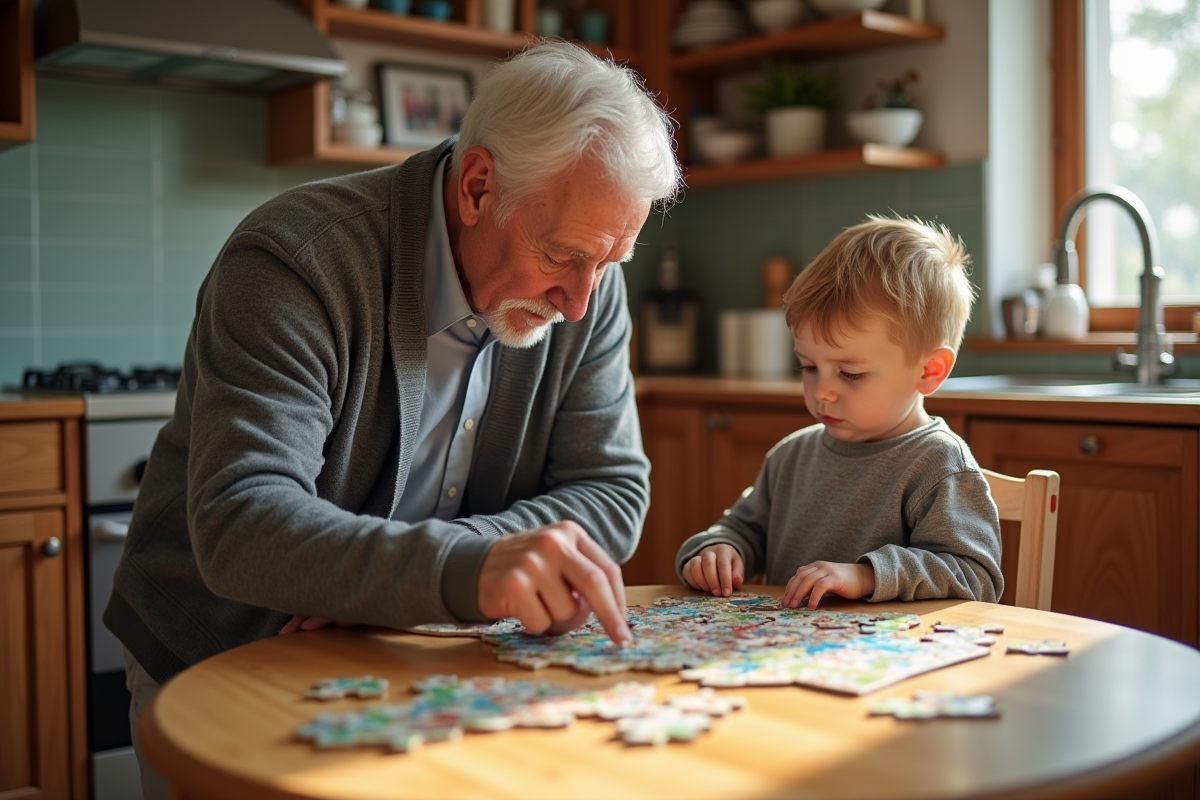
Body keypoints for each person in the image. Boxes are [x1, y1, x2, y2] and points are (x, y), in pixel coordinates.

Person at [105, 40, 680, 797]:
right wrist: (465, 573)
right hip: (220, 651)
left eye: (611, 262)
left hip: (415, 660)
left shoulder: (589, 286)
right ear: (478, 187)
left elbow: (610, 494)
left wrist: (417, 588)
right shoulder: (295, 259)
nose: (579, 301)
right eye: (562, 255)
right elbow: (241, 524)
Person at [676, 216, 1004, 609]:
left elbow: (976, 577)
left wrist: (867, 575)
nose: (823, 391)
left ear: (929, 370)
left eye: (851, 373)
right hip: (787, 655)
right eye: (809, 367)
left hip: (890, 665)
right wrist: (718, 549)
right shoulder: (791, 456)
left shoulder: (938, 464)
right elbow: (741, 529)